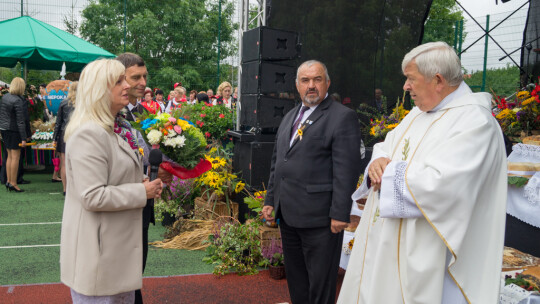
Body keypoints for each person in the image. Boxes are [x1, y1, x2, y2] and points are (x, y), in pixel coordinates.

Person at [337, 42, 507, 304]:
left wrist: (389, 171)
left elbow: (444, 185)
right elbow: (388, 143)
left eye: (410, 79)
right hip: (388, 246)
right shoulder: (418, 114)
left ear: (438, 80)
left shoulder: (475, 123)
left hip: (430, 258)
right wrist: (379, 159)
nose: (405, 86)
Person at [60, 58, 163, 303]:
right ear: (99, 90)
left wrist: (141, 180)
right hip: (100, 255)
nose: (126, 85)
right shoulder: (90, 133)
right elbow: (92, 196)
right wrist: (141, 191)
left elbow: (114, 176)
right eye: (118, 81)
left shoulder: (115, 126)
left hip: (113, 252)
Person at [262, 60, 361, 304]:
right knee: (297, 282)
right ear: (297, 86)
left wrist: (340, 213)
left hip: (322, 220)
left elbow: (346, 170)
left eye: (317, 79)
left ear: (327, 83)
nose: (311, 86)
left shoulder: (342, 117)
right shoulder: (289, 117)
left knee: (320, 285)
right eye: (305, 81)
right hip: (289, 216)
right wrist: (271, 200)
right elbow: (278, 163)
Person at [0, 77, 28, 192]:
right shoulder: (18, 101)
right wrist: (23, 138)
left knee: (9, 156)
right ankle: (13, 183)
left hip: (4, 129)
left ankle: (8, 181)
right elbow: (20, 121)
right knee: (15, 157)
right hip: (14, 131)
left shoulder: (5, 97)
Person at [53, 81, 78, 196]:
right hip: (79, 133)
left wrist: (54, 138)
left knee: (64, 164)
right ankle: (76, 188)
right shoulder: (84, 103)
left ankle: (65, 189)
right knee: (78, 163)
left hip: (64, 134)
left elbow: (58, 122)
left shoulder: (63, 103)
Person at [116, 53, 147, 122]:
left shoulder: (145, 112)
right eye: (136, 77)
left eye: (144, 76)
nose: (144, 83)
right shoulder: (114, 114)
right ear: (119, 78)